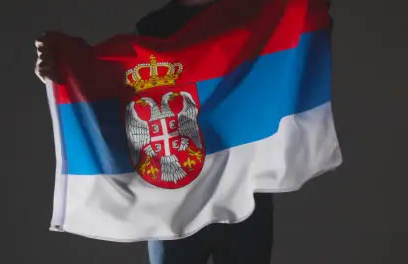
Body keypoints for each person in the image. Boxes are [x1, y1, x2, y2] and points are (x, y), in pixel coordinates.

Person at [35, 0, 330, 263]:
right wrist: (63, 70)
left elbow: (301, 26)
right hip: (173, 200)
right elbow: (115, 88)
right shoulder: (151, 28)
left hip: (243, 191)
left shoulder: (251, 12)